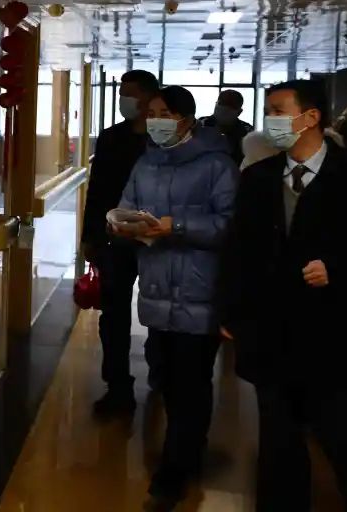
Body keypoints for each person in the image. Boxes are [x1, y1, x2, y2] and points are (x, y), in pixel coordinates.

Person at [220, 80, 347, 510]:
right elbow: (237, 249)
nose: (270, 121)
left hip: (334, 336)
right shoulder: (258, 178)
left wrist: (338, 269)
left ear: (311, 117)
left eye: (279, 111)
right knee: (278, 443)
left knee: (342, 437)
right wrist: (231, 312)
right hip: (270, 334)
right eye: (268, 112)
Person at [113, 86, 236, 510]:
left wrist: (177, 225)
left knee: (189, 386)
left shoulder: (217, 165)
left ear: (186, 120)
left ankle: (171, 476)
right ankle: (187, 454)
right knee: (165, 378)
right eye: (151, 113)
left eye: (164, 113)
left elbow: (229, 225)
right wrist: (122, 224)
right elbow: (127, 205)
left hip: (199, 292)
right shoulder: (146, 162)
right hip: (156, 291)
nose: (155, 120)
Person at [82, 68, 161, 417]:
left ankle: (161, 375)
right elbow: (97, 190)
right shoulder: (111, 138)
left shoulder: (162, 139)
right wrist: (90, 237)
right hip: (114, 240)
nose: (123, 100)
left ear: (149, 97)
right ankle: (117, 387)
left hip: (156, 239)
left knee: (158, 311)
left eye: (130, 93)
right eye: (121, 93)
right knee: (113, 316)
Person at [199, 89, 253, 166]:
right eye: (221, 103)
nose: (225, 108)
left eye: (231, 106)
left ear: (239, 112)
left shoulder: (246, 131)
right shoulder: (201, 125)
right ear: (216, 104)